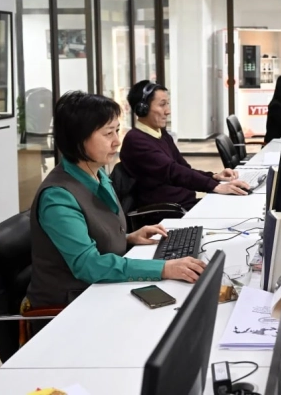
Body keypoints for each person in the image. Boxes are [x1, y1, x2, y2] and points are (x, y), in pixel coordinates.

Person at [25, 91, 206, 310]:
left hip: (102, 289)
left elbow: (91, 237)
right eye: (108, 133)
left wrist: (128, 238)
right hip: (71, 306)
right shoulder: (58, 197)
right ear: (78, 138)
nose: (116, 141)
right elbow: (89, 265)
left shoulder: (97, 173)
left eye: (117, 131)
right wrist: (164, 268)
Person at [119, 80, 249, 209]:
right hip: (169, 211)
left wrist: (213, 177)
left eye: (167, 104)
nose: (167, 111)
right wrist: (215, 186)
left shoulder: (160, 134)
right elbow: (173, 171)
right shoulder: (136, 141)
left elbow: (183, 168)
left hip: (184, 204)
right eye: (162, 105)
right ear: (142, 109)